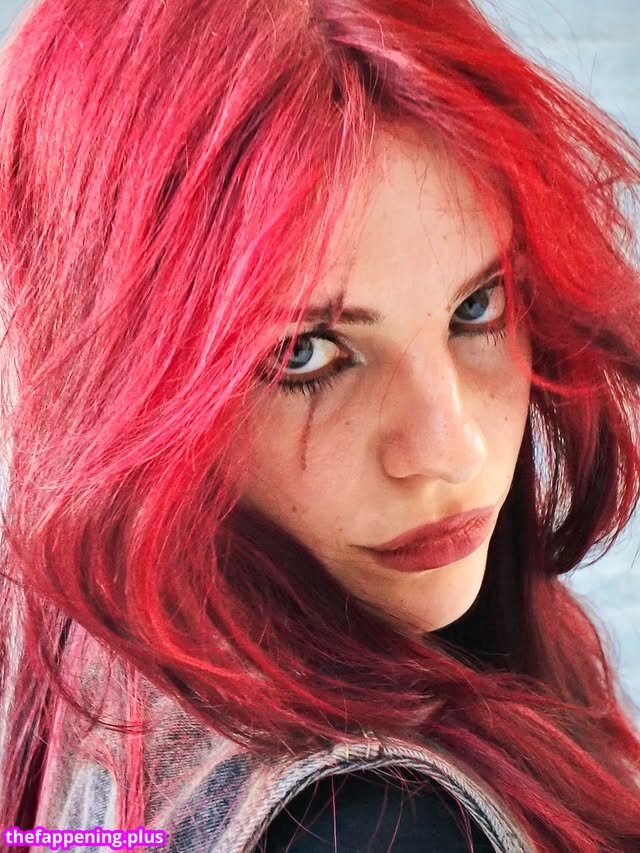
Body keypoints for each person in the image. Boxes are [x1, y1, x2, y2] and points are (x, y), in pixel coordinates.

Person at [0, 0, 639, 850]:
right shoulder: (380, 822)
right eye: (306, 353)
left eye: (478, 306)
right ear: (125, 384)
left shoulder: (78, 619)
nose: (453, 449)